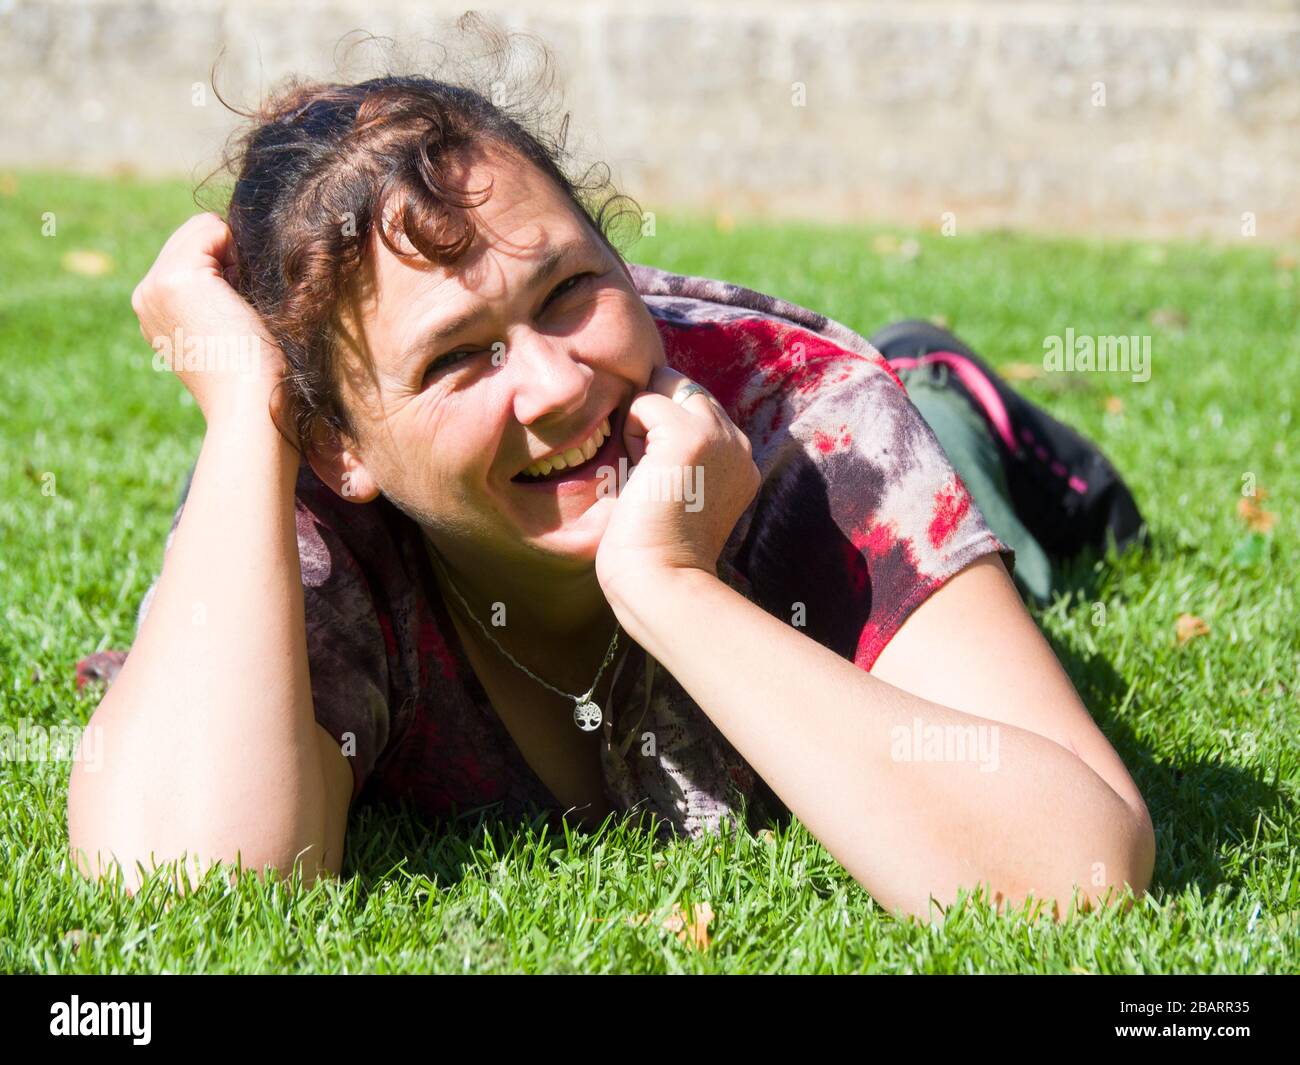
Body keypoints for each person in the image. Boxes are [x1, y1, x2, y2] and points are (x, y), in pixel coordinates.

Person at [67, 70, 1155, 925]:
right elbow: (187, 889)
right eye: (456, 359)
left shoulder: (804, 426)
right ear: (335, 443)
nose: (558, 382)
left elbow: (1076, 873)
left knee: (976, 494)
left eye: (569, 288)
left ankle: (947, 391)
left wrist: (668, 586)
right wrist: (245, 410)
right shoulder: (295, 506)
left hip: (873, 415)